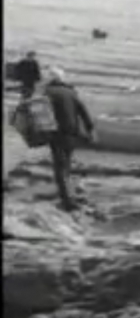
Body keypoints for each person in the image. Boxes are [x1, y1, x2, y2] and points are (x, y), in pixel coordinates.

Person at [42, 66, 96, 211]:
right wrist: (90, 130)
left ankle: (67, 201)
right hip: (72, 132)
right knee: (66, 163)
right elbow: (83, 111)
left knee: (59, 166)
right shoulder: (71, 92)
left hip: (55, 133)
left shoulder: (46, 92)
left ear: (50, 78)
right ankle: (68, 194)